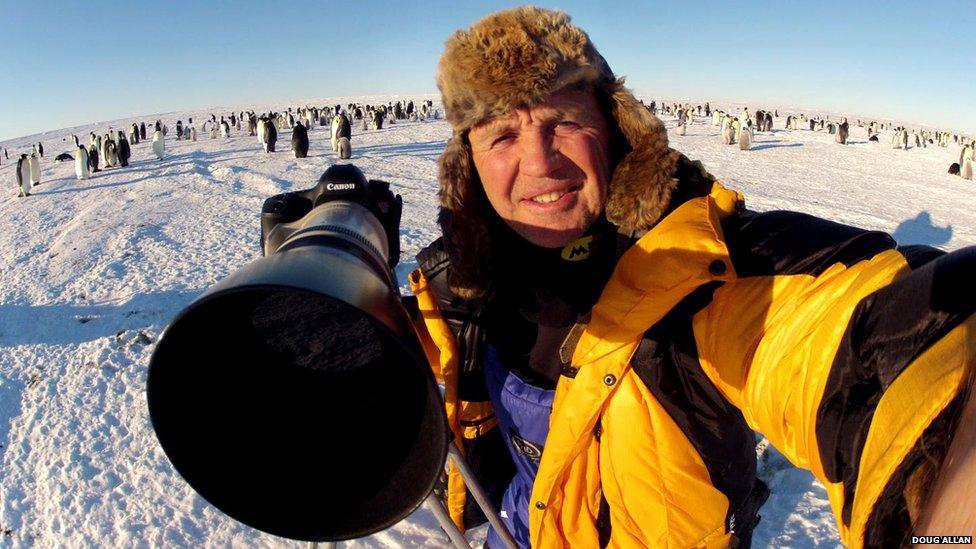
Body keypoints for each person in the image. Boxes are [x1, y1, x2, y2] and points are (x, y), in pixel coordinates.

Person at [405, 6, 975, 548]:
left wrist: (949, 498)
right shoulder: (460, 285)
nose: (539, 161)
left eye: (564, 121)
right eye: (502, 135)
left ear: (614, 129)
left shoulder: (702, 274)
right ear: (468, 164)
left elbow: (869, 340)